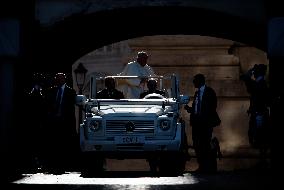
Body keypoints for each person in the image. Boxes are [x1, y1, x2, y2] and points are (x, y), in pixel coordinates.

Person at [184, 73, 221, 173]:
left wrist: (205, 118)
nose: (193, 82)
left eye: (195, 80)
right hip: (196, 123)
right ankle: (202, 165)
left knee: (205, 145)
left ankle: (208, 166)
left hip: (205, 124)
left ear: (200, 81)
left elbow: (212, 107)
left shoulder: (209, 92)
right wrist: (189, 109)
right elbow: (197, 109)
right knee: (197, 145)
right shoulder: (197, 93)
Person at [44, 73, 78, 173]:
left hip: (65, 122)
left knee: (64, 143)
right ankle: (53, 164)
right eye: (57, 79)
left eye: (61, 79)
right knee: (54, 143)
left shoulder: (71, 92)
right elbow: (47, 105)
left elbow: (71, 108)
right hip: (53, 122)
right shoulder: (51, 91)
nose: (59, 80)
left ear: (64, 80)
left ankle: (64, 165)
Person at [240, 64, 271, 167]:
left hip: (259, 114)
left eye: (255, 71)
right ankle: (262, 160)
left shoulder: (260, 84)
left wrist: (250, 71)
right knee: (258, 136)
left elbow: (245, 78)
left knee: (259, 136)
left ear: (257, 72)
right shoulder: (260, 83)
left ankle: (263, 160)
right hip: (258, 113)